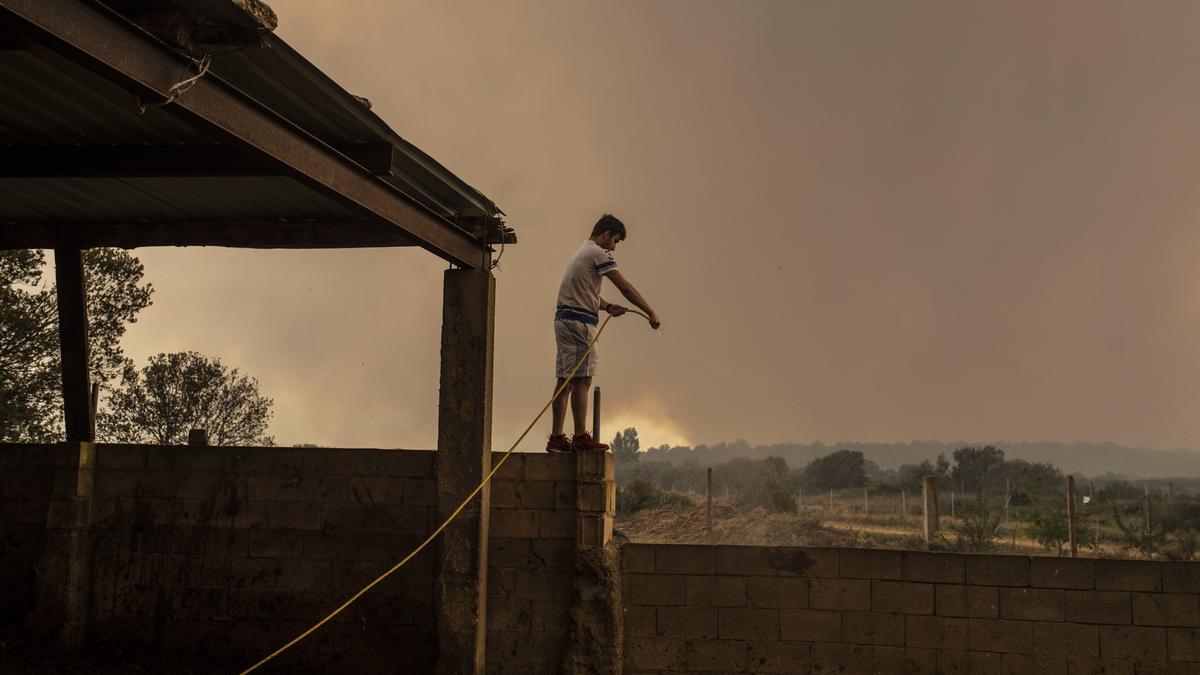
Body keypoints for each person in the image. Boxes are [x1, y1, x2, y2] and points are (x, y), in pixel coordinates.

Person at [548, 214, 660, 453]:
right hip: (579, 323)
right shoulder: (599, 253)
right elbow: (625, 287)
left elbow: (584, 292)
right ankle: (579, 437)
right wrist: (650, 312)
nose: (614, 248)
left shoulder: (582, 252)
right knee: (583, 378)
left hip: (565, 319)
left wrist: (608, 306)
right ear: (606, 235)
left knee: (565, 379)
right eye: (615, 241)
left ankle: (557, 437)